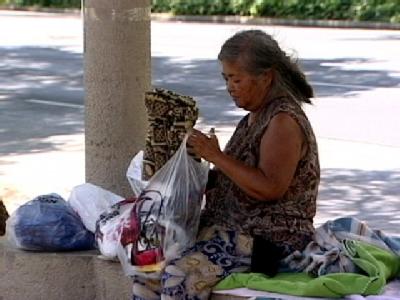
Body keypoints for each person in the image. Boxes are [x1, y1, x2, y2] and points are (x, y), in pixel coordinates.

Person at [132, 29, 320, 300]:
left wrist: (216, 156)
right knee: (148, 265)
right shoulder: (253, 118)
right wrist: (187, 170)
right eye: (226, 79)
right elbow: (233, 177)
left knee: (179, 275)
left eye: (236, 79)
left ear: (265, 77)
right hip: (228, 231)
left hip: (270, 242)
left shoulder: (283, 121)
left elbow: (270, 188)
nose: (230, 87)